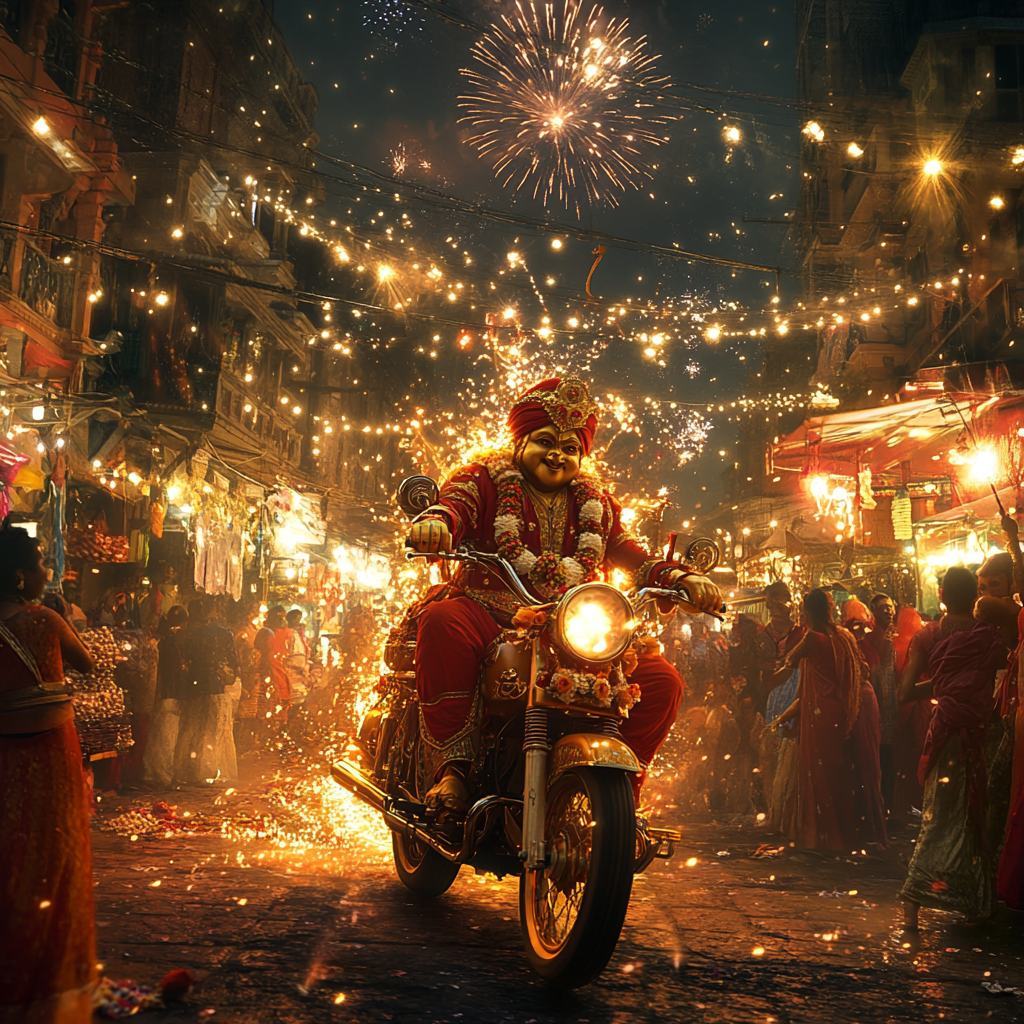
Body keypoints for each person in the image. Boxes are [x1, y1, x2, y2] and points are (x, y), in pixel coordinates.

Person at [406, 376, 722, 815]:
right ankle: (453, 771)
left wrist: (680, 578)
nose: (557, 455)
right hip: (488, 610)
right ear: (519, 442)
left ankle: (617, 799)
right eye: (545, 441)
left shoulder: (596, 501)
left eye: (571, 447)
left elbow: (631, 553)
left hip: (572, 629)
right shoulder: (482, 478)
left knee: (662, 682)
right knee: (442, 621)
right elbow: (454, 506)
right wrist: (436, 522)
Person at [0, 521, 98, 1023]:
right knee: (53, 858)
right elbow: (87, 663)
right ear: (21, 575)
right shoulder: (43, 620)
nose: (47, 571)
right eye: (41, 564)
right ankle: (50, 985)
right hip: (50, 755)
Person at [899, 566, 1005, 929]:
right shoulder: (990, 636)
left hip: (944, 735)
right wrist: (953, 684)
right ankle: (972, 903)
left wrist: (943, 685)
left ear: (941, 595)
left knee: (938, 815)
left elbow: (904, 693)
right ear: (976, 597)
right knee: (971, 815)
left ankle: (917, 904)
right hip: (975, 739)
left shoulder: (928, 636)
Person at [772, 588, 862, 851]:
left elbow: (790, 660)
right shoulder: (843, 636)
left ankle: (821, 836)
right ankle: (841, 834)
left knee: (817, 771)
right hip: (837, 710)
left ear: (807, 612)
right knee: (836, 771)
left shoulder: (812, 637)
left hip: (819, 712)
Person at [174, 598, 238, 783]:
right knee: (212, 731)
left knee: (194, 729)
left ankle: (192, 771)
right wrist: (228, 678)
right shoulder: (225, 634)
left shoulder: (195, 633)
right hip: (216, 687)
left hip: (197, 686)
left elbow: (187, 657)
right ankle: (207, 771)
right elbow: (233, 662)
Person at [859, 594, 898, 810]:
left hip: (896, 702)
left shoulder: (898, 636)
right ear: (874, 613)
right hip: (877, 704)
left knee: (892, 756)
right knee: (881, 756)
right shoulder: (868, 641)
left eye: (890, 607)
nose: (888, 611)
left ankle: (892, 805)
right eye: (883, 608)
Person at [143, 606, 189, 786]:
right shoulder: (167, 644)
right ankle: (162, 774)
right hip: (168, 694)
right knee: (166, 737)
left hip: (164, 694)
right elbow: (168, 671)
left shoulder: (162, 642)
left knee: (161, 735)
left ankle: (154, 772)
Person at [728, 613, 775, 716]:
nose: (737, 630)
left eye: (740, 627)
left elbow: (767, 665)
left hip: (758, 689)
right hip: (743, 689)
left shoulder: (760, 643)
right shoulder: (736, 649)